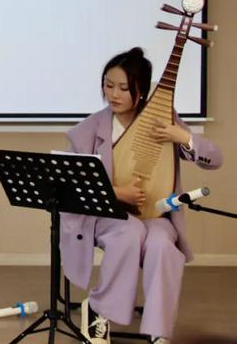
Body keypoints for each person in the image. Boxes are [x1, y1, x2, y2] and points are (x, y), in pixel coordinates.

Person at [60, 47, 222, 344]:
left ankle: (159, 331)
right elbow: (72, 184)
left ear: (141, 91)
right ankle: (98, 309)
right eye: (108, 85)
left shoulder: (162, 120)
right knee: (130, 231)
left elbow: (215, 159)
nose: (114, 94)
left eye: (124, 88)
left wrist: (182, 137)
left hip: (155, 214)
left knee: (162, 244)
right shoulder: (88, 130)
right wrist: (117, 192)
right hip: (106, 216)